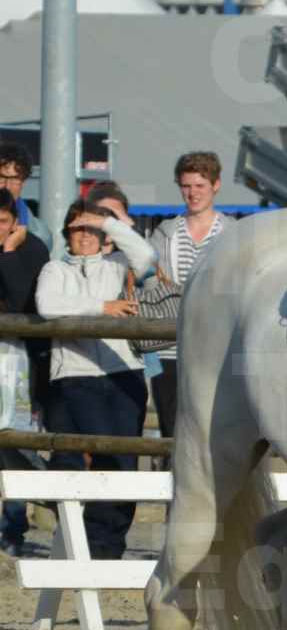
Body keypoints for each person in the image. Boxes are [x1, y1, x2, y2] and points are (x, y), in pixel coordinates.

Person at [35, 202, 157, 559]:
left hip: (125, 372)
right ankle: (93, 544)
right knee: (105, 458)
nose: (85, 236)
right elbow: (47, 304)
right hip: (78, 375)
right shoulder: (54, 268)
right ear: (66, 235)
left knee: (127, 460)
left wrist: (108, 222)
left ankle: (110, 546)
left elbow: (147, 256)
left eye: (92, 229)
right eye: (77, 229)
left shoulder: (118, 265)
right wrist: (103, 307)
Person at [146, 152, 230, 439]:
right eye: (186, 186)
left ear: (216, 185)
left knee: (213, 429)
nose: (192, 193)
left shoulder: (233, 233)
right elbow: (150, 283)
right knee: (172, 429)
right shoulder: (165, 232)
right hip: (169, 346)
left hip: (217, 347)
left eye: (199, 186)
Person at [0, 188, 50, 556]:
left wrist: (8, 254)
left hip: (16, 358)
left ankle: (15, 526)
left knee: (14, 442)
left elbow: (20, 299)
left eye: (2, 222)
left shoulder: (32, 249)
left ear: (14, 222)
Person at [0, 142, 53, 252]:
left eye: (15, 179)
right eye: (1, 177)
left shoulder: (40, 235)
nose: (7, 186)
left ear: (23, 181)